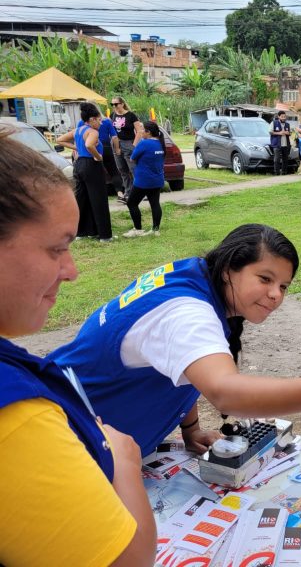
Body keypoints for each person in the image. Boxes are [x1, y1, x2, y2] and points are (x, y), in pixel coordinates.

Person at [46, 224, 301, 456]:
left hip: (89, 433)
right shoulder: (189, 312)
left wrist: (191, 429)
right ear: (229, 269)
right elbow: (225, 392)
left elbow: (180, 365)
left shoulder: (195, 276)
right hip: (66, 438)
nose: (275, 295)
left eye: (283, 286)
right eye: (265, 278)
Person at [0, 129, 155, 566]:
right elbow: (128, 559)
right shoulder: (14, 417)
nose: (71, 271)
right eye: (57, 249)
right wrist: (124, 461)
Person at [57, 102, 114, 242]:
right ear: (92, 119)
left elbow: (60, 140)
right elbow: (89, 144)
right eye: (99, 120)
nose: (101, 123)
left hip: (79, 165)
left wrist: (76, 147)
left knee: (82, 199)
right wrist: (98, 156)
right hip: (91, 165)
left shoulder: (78, 130)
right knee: (99, 199)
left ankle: (83, 232)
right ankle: (105, 235)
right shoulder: (93, 132)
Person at [124, 121, 165, 238]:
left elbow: (132, 158)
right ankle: (155, 230)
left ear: (148, 132)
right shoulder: (160, 143)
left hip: (143, 181)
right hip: (157, 179)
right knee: (155, 204)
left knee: (131, 203)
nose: (140, 131)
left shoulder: (144, 143)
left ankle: (138, 229)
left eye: (142, 129)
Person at [77, 110, 124, 202]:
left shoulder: (82, 122)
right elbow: (114, 137)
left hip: (92, 149)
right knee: (114, 171)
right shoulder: (107, 121)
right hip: (106, 148)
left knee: (96, 172)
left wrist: (77, 149)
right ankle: (120, 193)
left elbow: (79, 136)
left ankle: (97, 195)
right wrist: (117, 149)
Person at [111, 95, 143, 200]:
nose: (114, 106)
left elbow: (139, 131)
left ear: (122, 104)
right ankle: (128, 192)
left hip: (128, 143)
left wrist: (134, 145)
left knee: (133, 169)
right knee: (122, 169)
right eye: (112, 104)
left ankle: (140, 192)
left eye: (116, 104)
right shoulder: (112, 115)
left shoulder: (131, 115)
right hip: (116, 143)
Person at [271, 110, 291, 176]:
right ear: (279, 116)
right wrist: (279, 133)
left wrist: (288, 133)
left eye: (284, 116)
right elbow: (270, 132)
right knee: (277, 159)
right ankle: (276, 173)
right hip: (277, 144)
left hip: (285, 144)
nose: (284, 118)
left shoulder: (287, 124)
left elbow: (289, 133)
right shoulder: (274, 123)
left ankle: (284, 172)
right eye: (282, 117)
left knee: (285, 159)